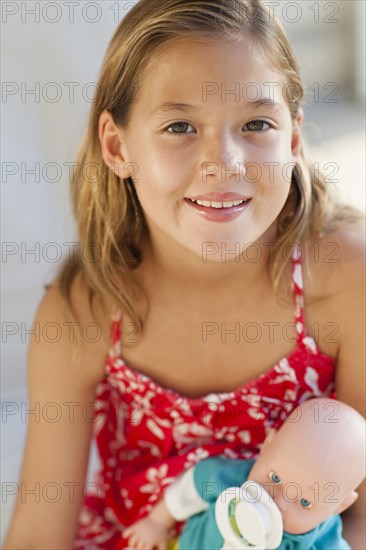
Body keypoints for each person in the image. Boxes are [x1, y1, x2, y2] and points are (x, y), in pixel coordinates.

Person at [3, 0, 365, 549]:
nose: (223, 163)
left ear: (293, 138)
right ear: (117, 146)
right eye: (179, 126)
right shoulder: (86, 310)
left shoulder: (345, 281)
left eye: (256, 123)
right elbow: (36, 535)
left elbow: (362, 516)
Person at [122, 397, 366, 549]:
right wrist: (157, 522)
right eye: (275, 479)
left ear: (339, 507)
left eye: (304, 502)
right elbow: (192, 487)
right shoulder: (231, 479)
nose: (275, 501)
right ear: (268, 446)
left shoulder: (322, 541)